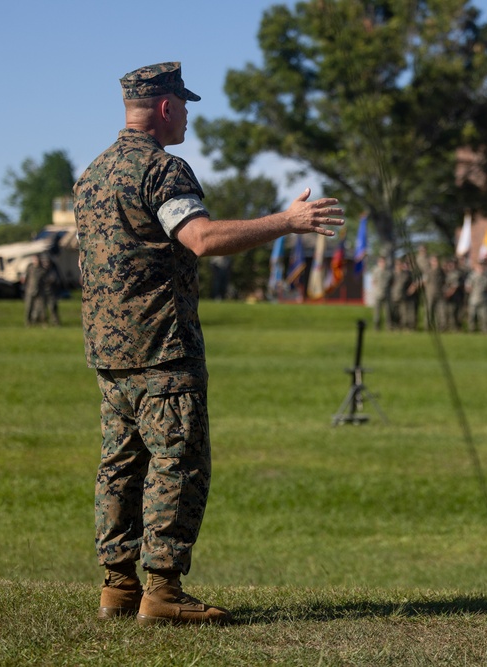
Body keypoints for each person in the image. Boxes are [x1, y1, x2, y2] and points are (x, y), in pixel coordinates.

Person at [73, 62, 343, 626]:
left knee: (120, 467)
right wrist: (287, 221)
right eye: (186, 105)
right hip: (163, 351)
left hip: (110, 354)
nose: (190, 115)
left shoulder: (92, 175)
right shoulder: (162, 171)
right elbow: (201, 238)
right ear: (166, 107)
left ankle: (117, 586)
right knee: (178, 464)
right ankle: (163, 594)